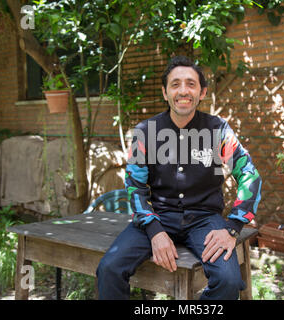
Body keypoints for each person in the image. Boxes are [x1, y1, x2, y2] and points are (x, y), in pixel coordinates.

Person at [96, 56, 262, 300]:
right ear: (165, 93)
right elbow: (135, 187)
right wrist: (154, 231)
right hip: (157, 217)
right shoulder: (145, 132)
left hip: (205, 220)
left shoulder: (218, 130)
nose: (183, 91)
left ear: (202, 92)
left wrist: (233, 227)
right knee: (109, 269)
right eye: (175, 84)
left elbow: (249, 175)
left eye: (191, 84)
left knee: (228, 281)